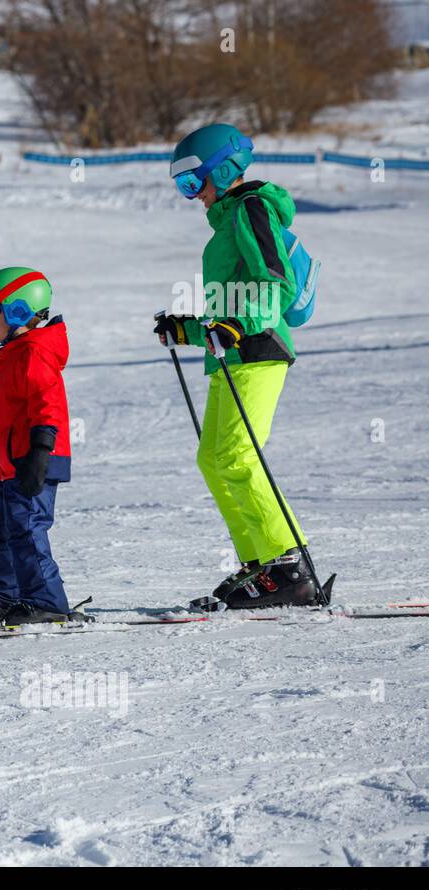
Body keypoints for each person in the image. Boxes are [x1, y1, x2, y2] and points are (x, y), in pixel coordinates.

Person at [154, 123, 315, 609]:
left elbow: (275, 280)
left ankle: (288, 564)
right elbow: (235, 300)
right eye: (182, 186)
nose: (191, 196)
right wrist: (188, 330)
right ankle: (261, 563)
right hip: (233, 353)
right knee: (215, 459)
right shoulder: (228, 220)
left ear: (222, 171)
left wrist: (237, 326)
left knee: (238, 456)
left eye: (192, 182)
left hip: (258, 350)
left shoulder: (251, 207)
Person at [0, 267, 79, 626]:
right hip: (11, 464)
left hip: (34, 459)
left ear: (17, 310)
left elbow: (47, 402)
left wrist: (41, 451)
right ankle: (3, 594)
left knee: (26, 531)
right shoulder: (15, 351)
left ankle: (47, 602)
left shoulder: (33, 352)